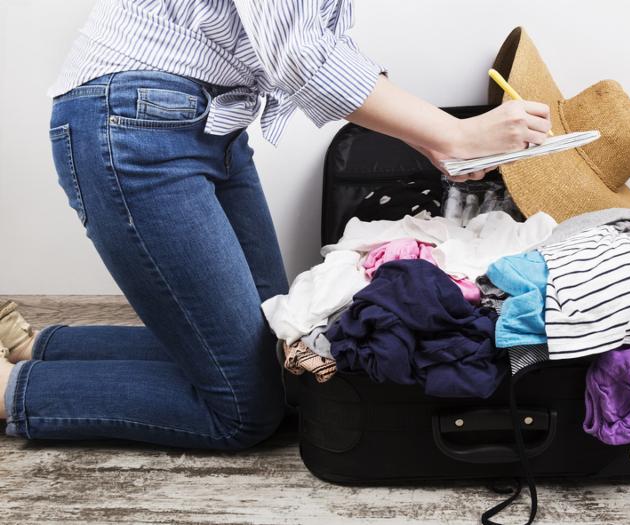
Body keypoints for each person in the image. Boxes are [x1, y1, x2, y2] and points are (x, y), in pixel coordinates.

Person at [0, 0, 551, 450]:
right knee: (244, 412)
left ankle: (29, 347)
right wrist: (452, 132)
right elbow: (301, 54)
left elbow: (320, 41)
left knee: (278, 345)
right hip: (135, 122)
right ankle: (7, 389)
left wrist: (432, 139)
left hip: (204, 124)